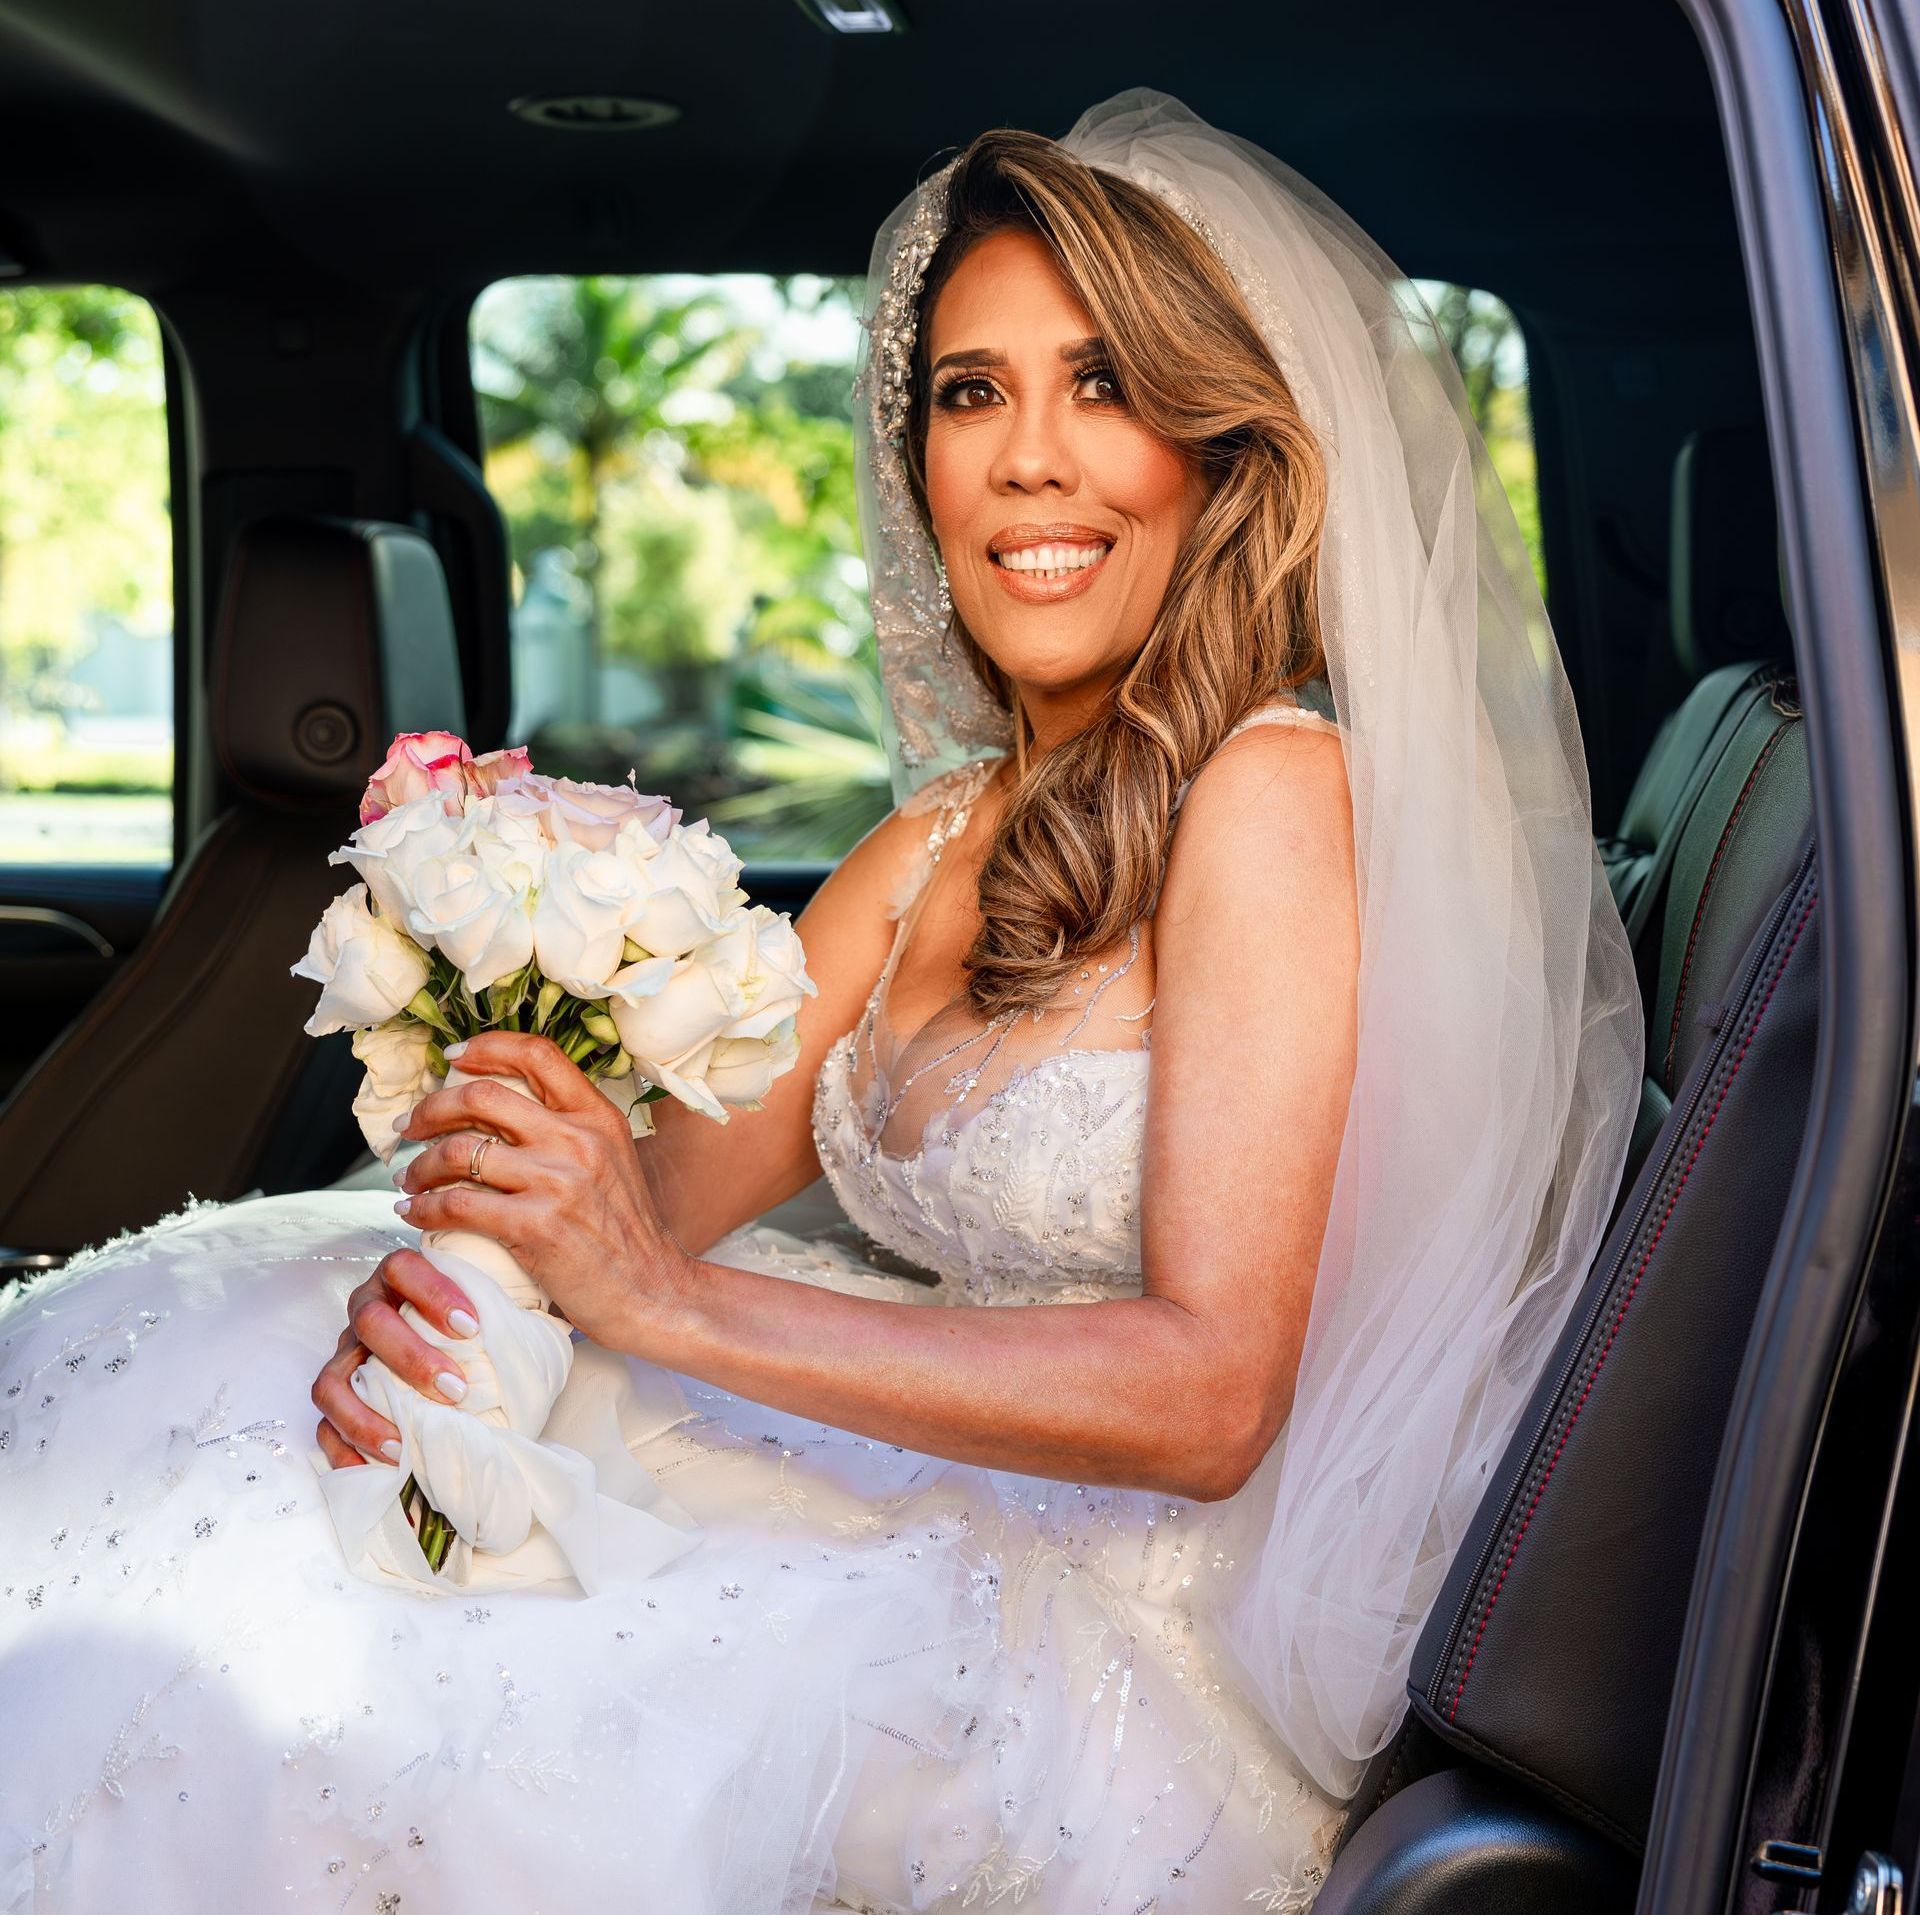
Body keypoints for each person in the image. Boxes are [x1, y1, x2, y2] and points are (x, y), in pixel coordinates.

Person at [0, 91, 1641, 1914]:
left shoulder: (1273, 795)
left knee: (384, 1686)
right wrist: (468, 1272)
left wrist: (662, 1301)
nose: (1028, 460)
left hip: (1111, 1617)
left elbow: (1208, 1393)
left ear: (1219, 452)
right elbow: (657, 1200)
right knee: (225, 1395)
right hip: (915, 1481)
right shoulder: (939, 835)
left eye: (1104, 386)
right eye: (970, 392)